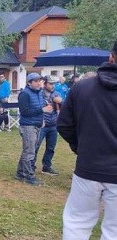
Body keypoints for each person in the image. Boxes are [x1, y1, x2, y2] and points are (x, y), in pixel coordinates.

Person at [59, 40, 117, 239]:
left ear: (111, 57)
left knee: (77, 222)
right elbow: (64, 125)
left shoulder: (82, 87)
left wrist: (82, 147)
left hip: (88, 166)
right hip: (89, 163)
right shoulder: (82, 87)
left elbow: (65, 125)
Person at [14, 73, 53, 186]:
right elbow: (25, 112)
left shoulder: (39, 93)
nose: (38, 83)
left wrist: (42, 119)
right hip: (28, 126)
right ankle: (29, 176)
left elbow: (39, 108)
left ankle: (20, 173)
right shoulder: (25, 94)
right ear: (29, 83)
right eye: (35, 81)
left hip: (37, 125)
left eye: (39, 81)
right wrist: (42, 110)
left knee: (28, 150)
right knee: (29, 151)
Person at [34, 76, 62, 177]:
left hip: (53, 125)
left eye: (53, 84)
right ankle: (31, 165)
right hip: (42, 124)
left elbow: (63, 106)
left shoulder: (57, 94)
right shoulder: (39, 94)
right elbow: (37, 106)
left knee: (51, 147)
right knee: (36, 146)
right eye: (50, 84)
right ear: (45, 84)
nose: (52, 86)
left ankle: (46, 166)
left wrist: (61, 102)